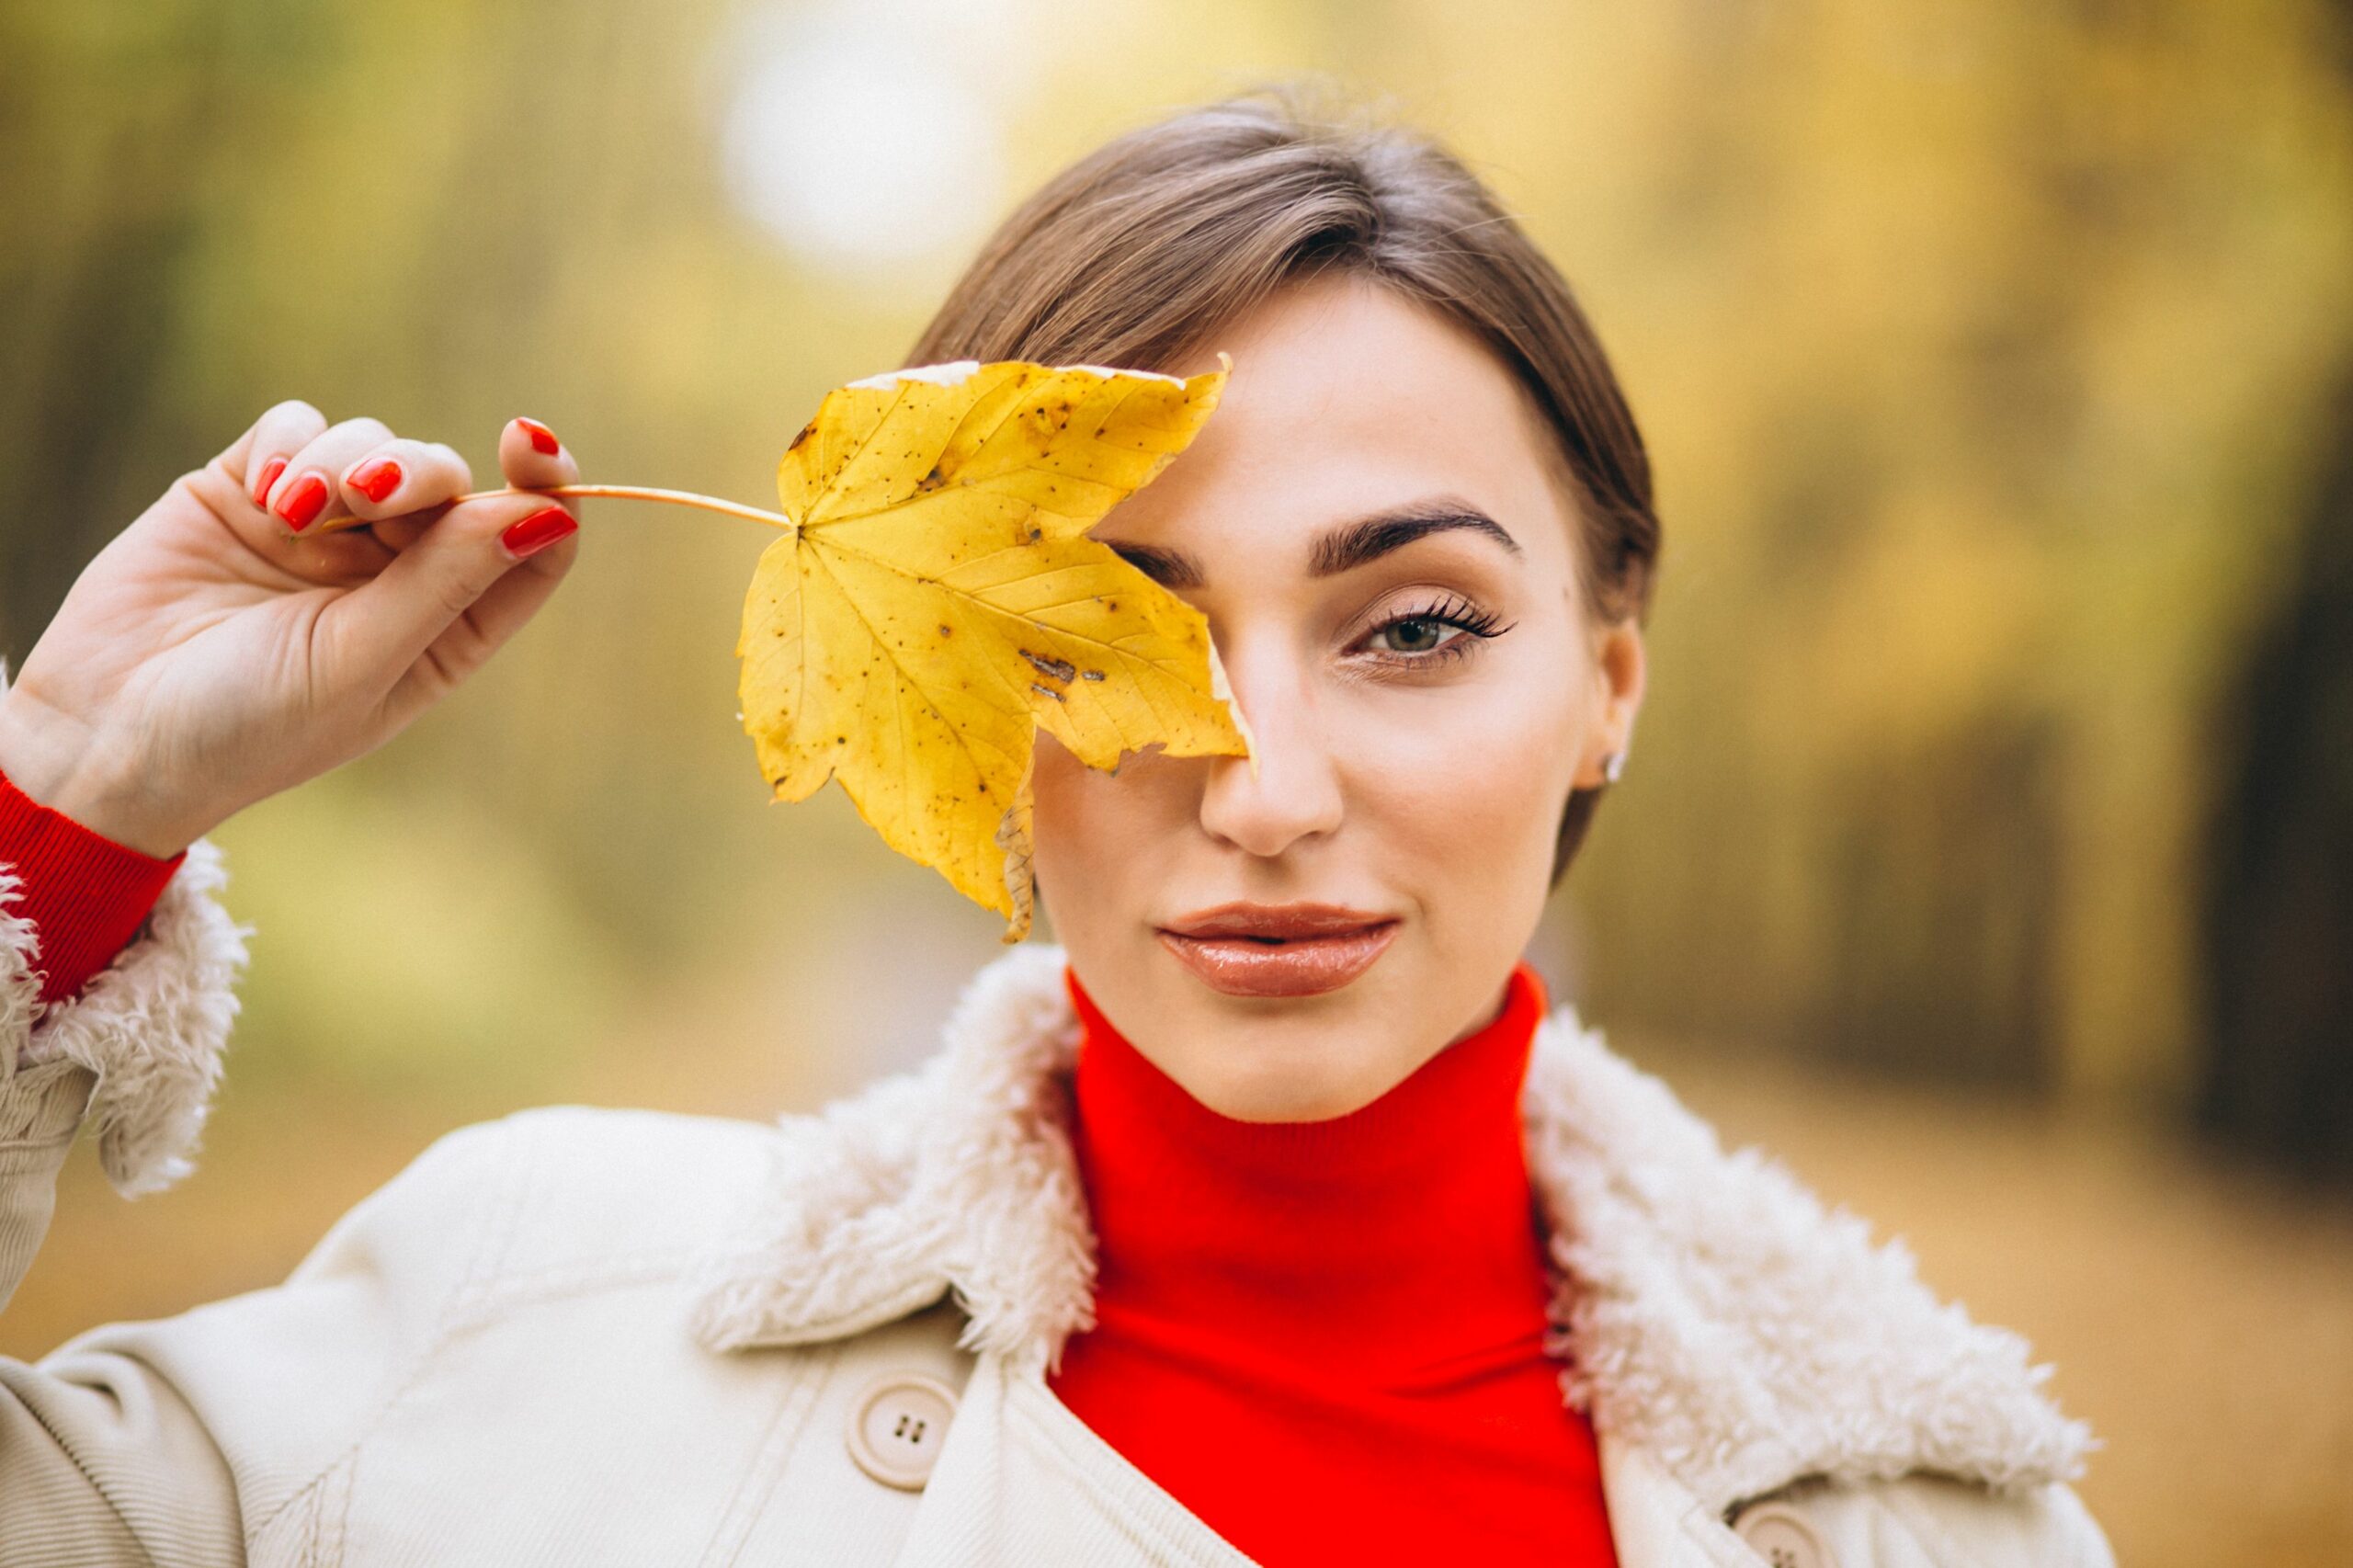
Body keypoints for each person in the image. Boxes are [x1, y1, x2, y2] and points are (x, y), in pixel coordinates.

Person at [0, 85, 2115, 1566]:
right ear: (964, 682)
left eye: (1413, 626)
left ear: (1607, 685)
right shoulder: (516, 1331)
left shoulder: (1943, 1520)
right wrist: (82, 795)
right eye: (1106, 638)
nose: (1267, 790)